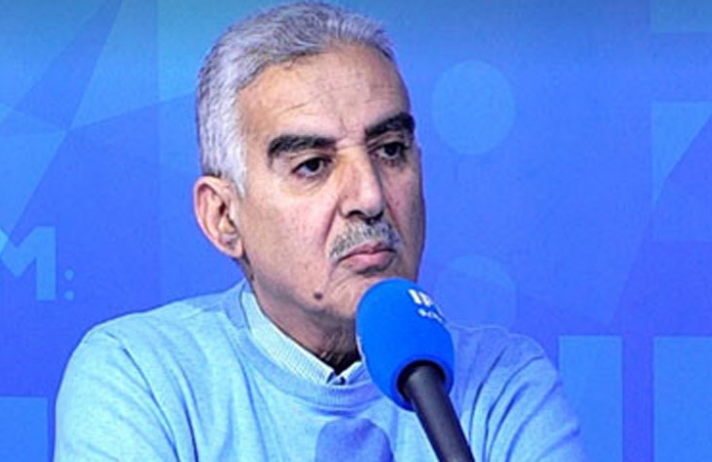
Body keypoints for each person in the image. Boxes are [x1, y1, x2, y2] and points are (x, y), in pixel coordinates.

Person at [54, 2, 586, 461]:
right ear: (223, 217)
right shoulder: (141, 375)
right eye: (312, 165)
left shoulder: (503, 382)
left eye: (390, 151)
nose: (370, 197)